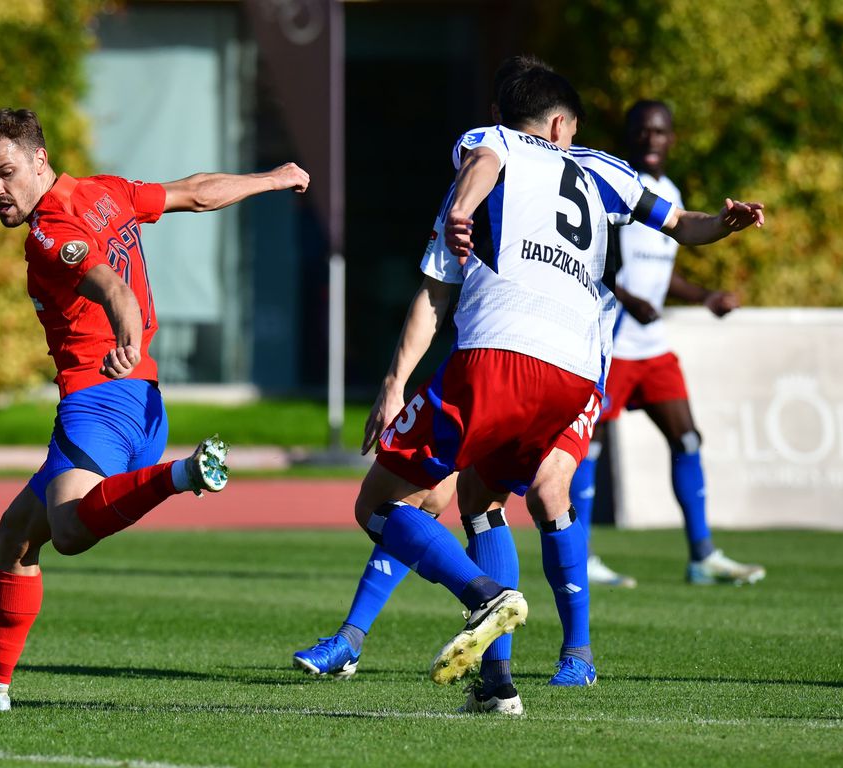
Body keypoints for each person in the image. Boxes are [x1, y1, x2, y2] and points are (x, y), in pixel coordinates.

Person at [294, 61, 765, 709]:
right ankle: (497, 685)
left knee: (379, 505)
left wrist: (397, 377)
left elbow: (477, 177)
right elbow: (684, 223)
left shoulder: (495, 144)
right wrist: (728, 221)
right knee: (482, 500)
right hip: (576, 374)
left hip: (498, 357)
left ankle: (486, 598)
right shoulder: (603, 168)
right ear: (563, 123)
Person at [0, 108, 309, 711]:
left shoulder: (49, 231)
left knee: (70, 529)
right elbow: (194, 194)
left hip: (101, 401)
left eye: (5, 173)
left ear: (39, 161)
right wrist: (272, 178)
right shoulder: (106, 193)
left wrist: (126, 337)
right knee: (17, 535)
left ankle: (184, 474)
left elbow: (112, 287)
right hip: (141, 399)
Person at [569, 100, 766, 587]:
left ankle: (702, 555)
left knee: (687, 438)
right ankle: (583, 558)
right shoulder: (612, 187)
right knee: (587, 448)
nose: (651, 139)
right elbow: (589, 260)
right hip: (610, 343)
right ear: (629, 135)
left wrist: (706, 297)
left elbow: (665, 272)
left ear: (671, 139)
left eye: (660, 132)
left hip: (652, 348)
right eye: (642, 130)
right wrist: (629, 299)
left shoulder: (670, 194)